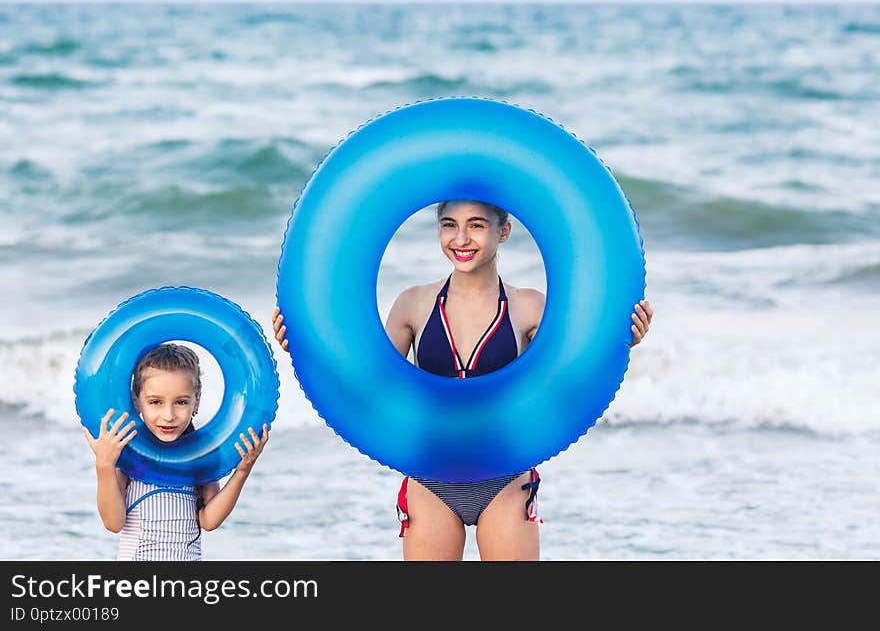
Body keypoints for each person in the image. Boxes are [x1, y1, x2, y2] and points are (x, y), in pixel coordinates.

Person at [272, 200, 652, 560]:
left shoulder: (530, 306)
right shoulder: (414, 303)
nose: (461, 239)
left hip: (505, 475)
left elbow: (574, 376)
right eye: (449, 225)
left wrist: (622, 341)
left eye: (477, 225)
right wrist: (305, 348)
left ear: (503, 231)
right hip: (431, 477)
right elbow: (369, 384)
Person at [82, 343, 269, 560]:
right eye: (155, 402)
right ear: (137, 402)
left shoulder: (199, 454)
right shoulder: (132, 455)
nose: (168, 415)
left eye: (181, 402)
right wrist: (104, 466)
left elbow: (209, 521)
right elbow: (113, 523)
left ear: (196, 401)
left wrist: (242, 472)